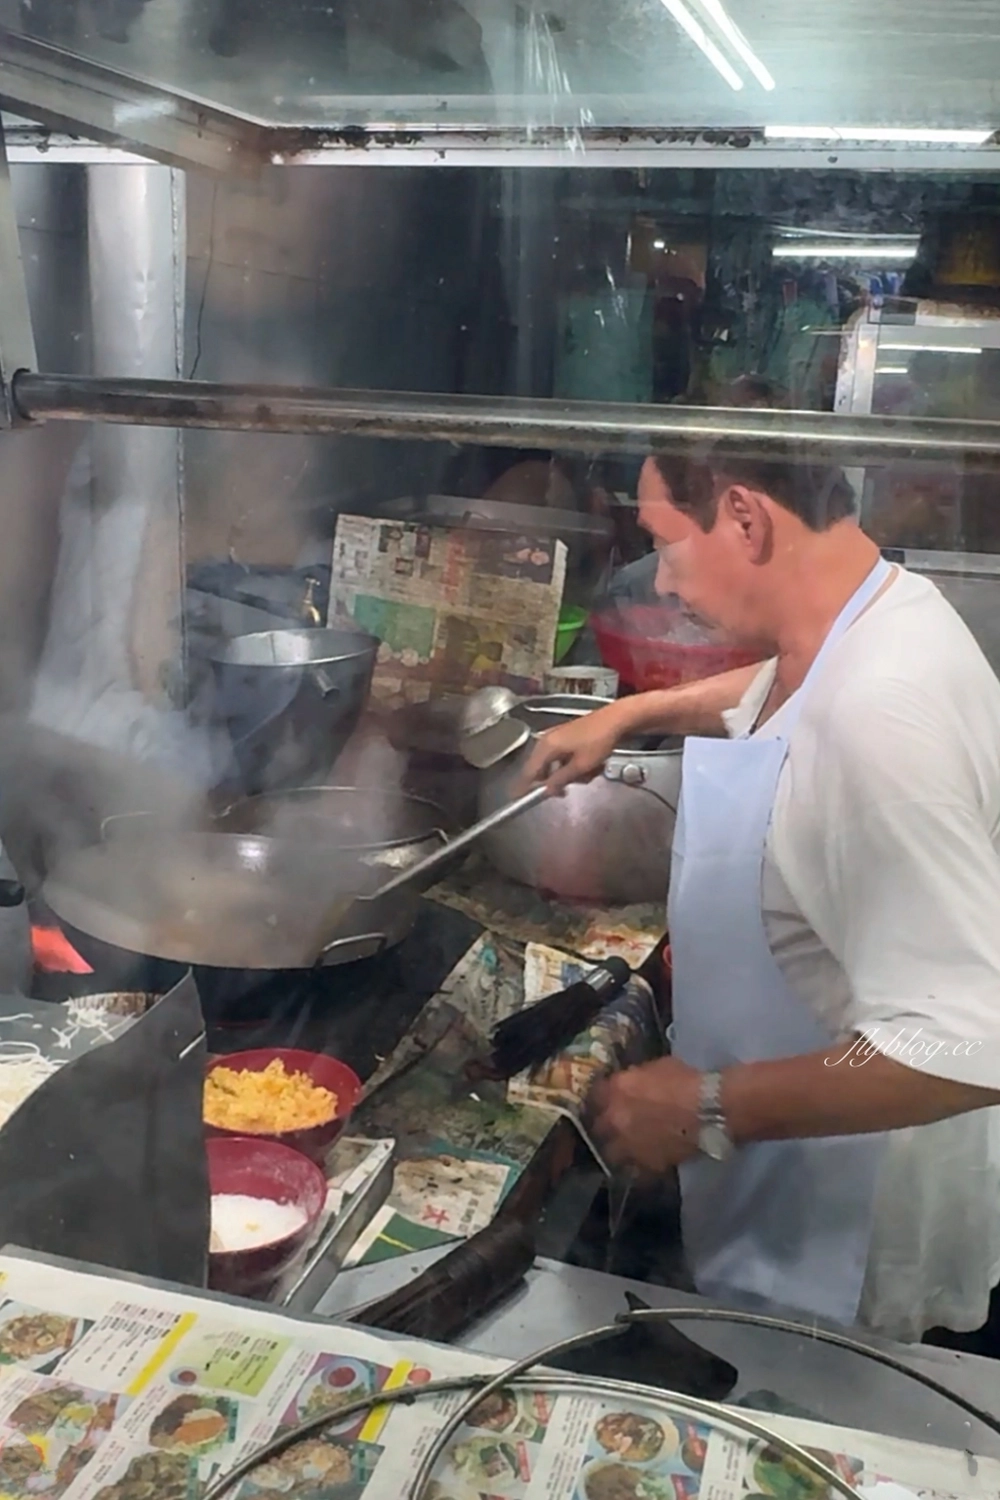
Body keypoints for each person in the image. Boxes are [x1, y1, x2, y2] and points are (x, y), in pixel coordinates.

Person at [520, 441, 1000, 1342]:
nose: (662, 584)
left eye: (665, 545)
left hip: (851, 1226)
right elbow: (785, 688)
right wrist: (627, 714)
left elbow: (963, 1047)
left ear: (745, 518)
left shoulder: (883, 720)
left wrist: (703, 1105)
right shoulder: (866, 619)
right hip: (797, 1166)